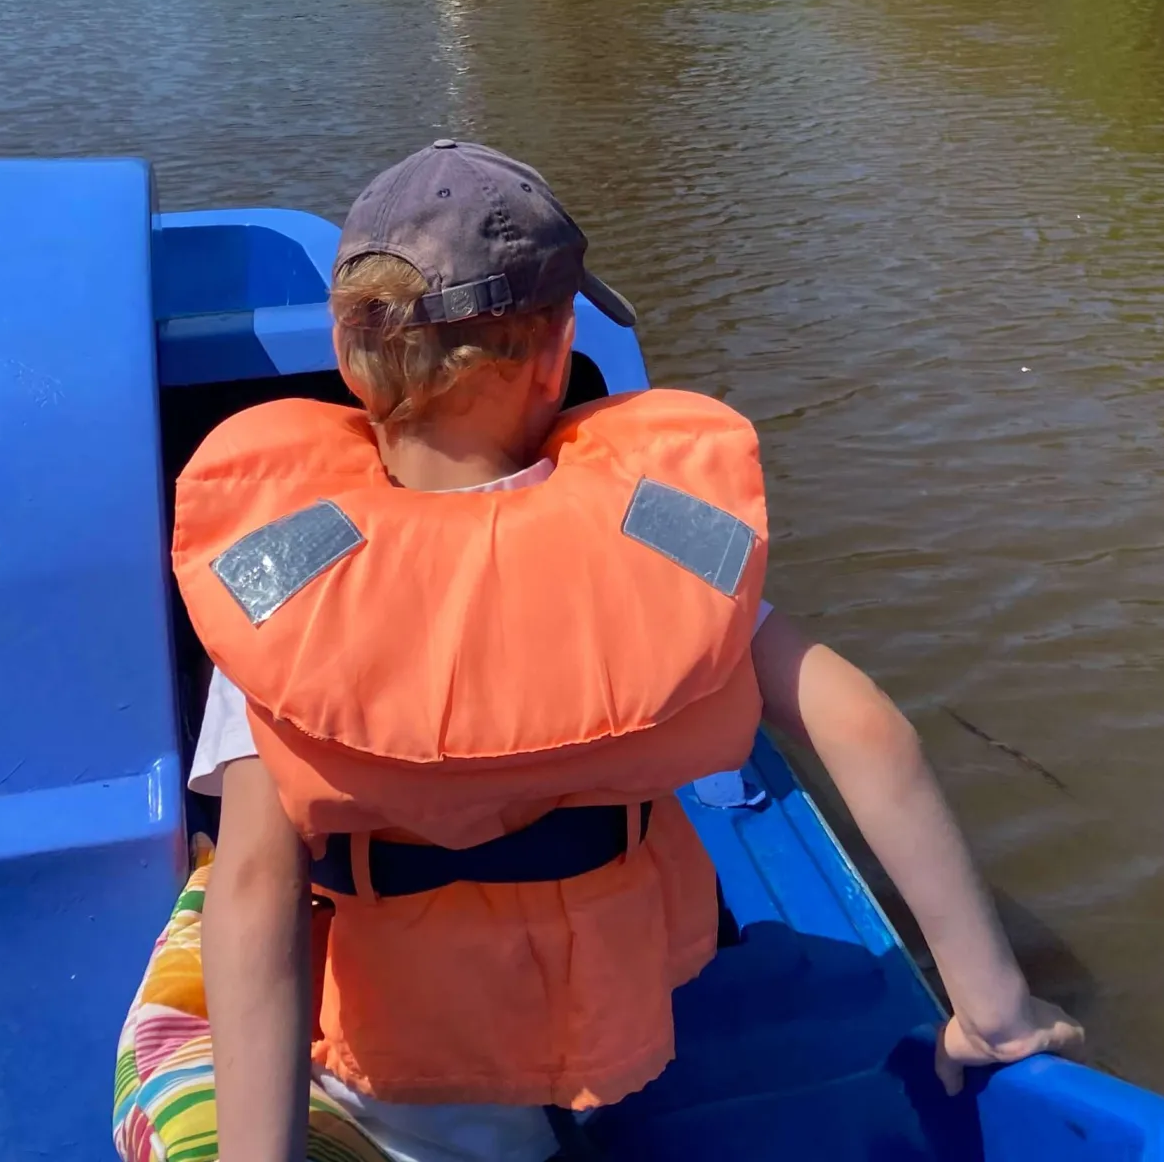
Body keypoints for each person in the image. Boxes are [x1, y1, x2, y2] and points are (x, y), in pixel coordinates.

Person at [168, 143, 1080, 1162]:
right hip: (622, 1035)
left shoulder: (286, 585)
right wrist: (991, 1009)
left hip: (413, 1093)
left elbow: (257, 893)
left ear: (351, 358)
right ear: (557, 355)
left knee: (198, 910)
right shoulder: (656, 545)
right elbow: (864, 723)